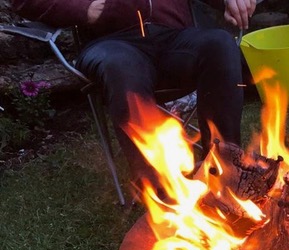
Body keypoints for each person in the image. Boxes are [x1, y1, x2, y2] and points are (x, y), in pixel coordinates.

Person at [11, 0, 257, 192]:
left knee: (219, 43)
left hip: (173, 39)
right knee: (121, 66)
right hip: (111, 44)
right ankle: (160, 191)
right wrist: (83, 8)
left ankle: (226, 170)